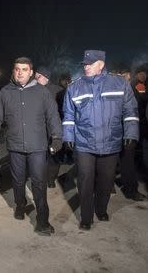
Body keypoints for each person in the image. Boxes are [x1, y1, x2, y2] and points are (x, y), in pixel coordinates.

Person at [62, 50, 139, 231]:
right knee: (85, 180)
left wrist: (131, 134)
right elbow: (69, 114)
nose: (86, 66)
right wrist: (68, 136)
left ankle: (101, 209)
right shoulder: (75, 87)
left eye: (90, 63)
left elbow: (130, 111)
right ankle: (86, 217)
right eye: (85, 64)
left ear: (101, 64)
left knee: (106, 179)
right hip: (84, 144)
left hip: (110, 142)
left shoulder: (120, 83)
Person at [0, 57, 62, 236]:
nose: (20, 72)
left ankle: (42, 221)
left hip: (37, 146)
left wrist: (57, 136)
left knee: (39, 182)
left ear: (31, 72)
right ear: (13, 71)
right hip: (15, 146)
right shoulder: (5, 92)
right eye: (17, 69)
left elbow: (53, 115)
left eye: (24, 69)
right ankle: (20, 206)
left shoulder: (42, 92)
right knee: (18, 180)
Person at [116, 69, 146, 201]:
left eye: (127, 75)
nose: (126, 77)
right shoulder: (120, 89)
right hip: (117, 131)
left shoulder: (132, 88)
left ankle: (130, 189)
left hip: (129, 129)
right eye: (123, 75)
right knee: (119, 161)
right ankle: (127, 188)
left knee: (127, 160)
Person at [35, 66, 64, 188]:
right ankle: (40, 177)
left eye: (38, 76)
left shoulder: (58, 90)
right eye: (35, 76)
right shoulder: (33, 90)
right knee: (40, 155)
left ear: (45, 77)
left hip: (53, 127)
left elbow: (64, 110)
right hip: (38, 128)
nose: (35, 78)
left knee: (54, 154)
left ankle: (51, 177)